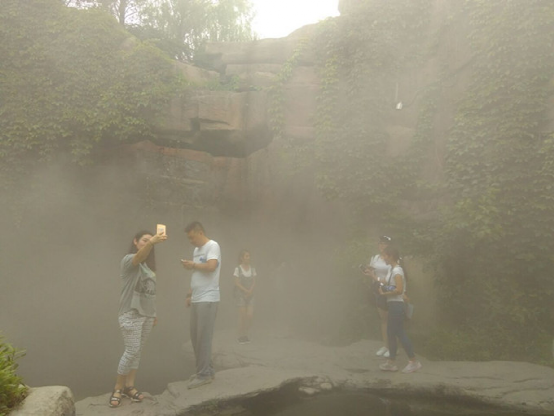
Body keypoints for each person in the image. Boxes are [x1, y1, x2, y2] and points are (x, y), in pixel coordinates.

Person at [109, 229, 167, 408]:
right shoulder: (129, 260)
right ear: (135, 241)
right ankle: (117, 388)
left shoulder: (149, 267)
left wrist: (154, 313)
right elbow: (138, 257)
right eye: (144, 240)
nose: (147, 243)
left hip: (147, 314)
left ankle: (130, 386)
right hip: (130, 312)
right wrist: (152, 242)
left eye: (149, 241)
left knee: (138, 351)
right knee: (131, 350)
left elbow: (150, 293)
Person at [181, 221, 221, 389]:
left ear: (200, 233)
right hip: (197, 298)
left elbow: (211, 267)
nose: (191, 241)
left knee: (203, 337)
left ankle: (203, 375)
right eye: (189, 239)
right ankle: (207, 371)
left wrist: (193, 264)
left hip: (208, 298)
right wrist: (189, 294)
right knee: (195, 336)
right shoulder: (196, 250)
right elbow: (196, 273)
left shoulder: (213, 246)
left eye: (192, 238)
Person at [378, 245, 422, 374]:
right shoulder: (392, 270)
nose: (383, 258)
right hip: (393, 305)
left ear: (391, 256)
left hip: (397, 305)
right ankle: (391, 362)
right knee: (391, 333)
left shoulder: (397, 271)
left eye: (385, 256)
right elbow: (390, 285)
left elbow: (399, 289)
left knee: (399, 333)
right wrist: (373, 276)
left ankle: (413, 362)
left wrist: (384, 293)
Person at [363, 236, 393, 358]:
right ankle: (386, 345)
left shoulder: (393, 257)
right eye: (380, 243)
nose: (382, 246)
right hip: (378, 290)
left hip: (391, 289)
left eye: (384, 243)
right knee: (383, 319)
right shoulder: (375, 258)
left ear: (389, 245)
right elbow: (372, 273)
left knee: (392, 319)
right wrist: (368, 272)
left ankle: (393, 347)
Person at [234, 250, 257, 344]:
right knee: (242, 316)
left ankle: (246, 333)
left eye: (249, 256)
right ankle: (241, 335)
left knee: (249, 315)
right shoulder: (238, 269)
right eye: (246, 256)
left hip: (251, 295)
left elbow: (254, 281)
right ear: (242, 258)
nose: (248, 258)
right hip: (241, 295)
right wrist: (245, 291)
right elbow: (236, 282)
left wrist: (250, 290)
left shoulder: (252, 269)